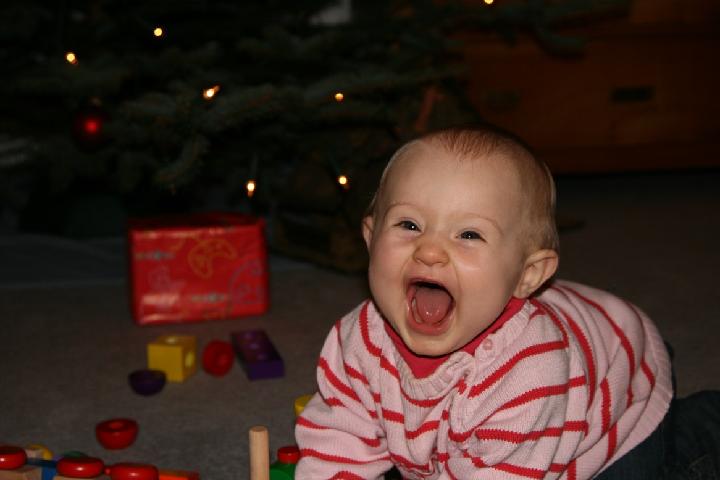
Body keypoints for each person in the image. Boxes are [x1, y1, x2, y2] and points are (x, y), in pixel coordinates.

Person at [294, 125, 675, 479]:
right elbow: (338, 441)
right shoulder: (355, 343)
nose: (429, 251)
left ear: (527, 275)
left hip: (619, 386)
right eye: (409, 225)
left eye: (469, 234)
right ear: (371, 237)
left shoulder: (531, 375)